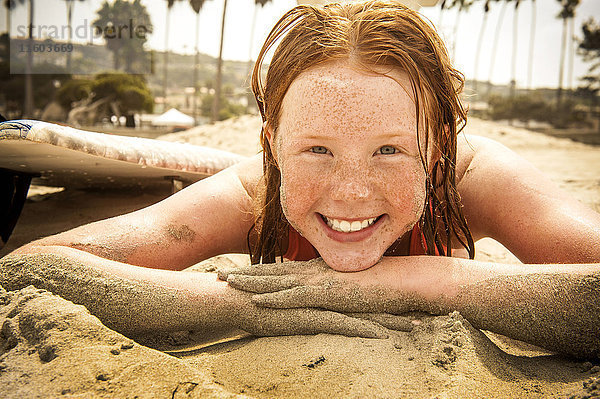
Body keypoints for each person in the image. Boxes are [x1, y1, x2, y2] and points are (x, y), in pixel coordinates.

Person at [1, 0, 599, 358]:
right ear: (272, 148)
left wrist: (439, 281)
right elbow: (32, 268)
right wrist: (245, 307)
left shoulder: (472, 179)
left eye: (390, 150)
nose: (351, 192)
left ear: (438, 148)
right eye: (317, 150)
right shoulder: (251, 194)